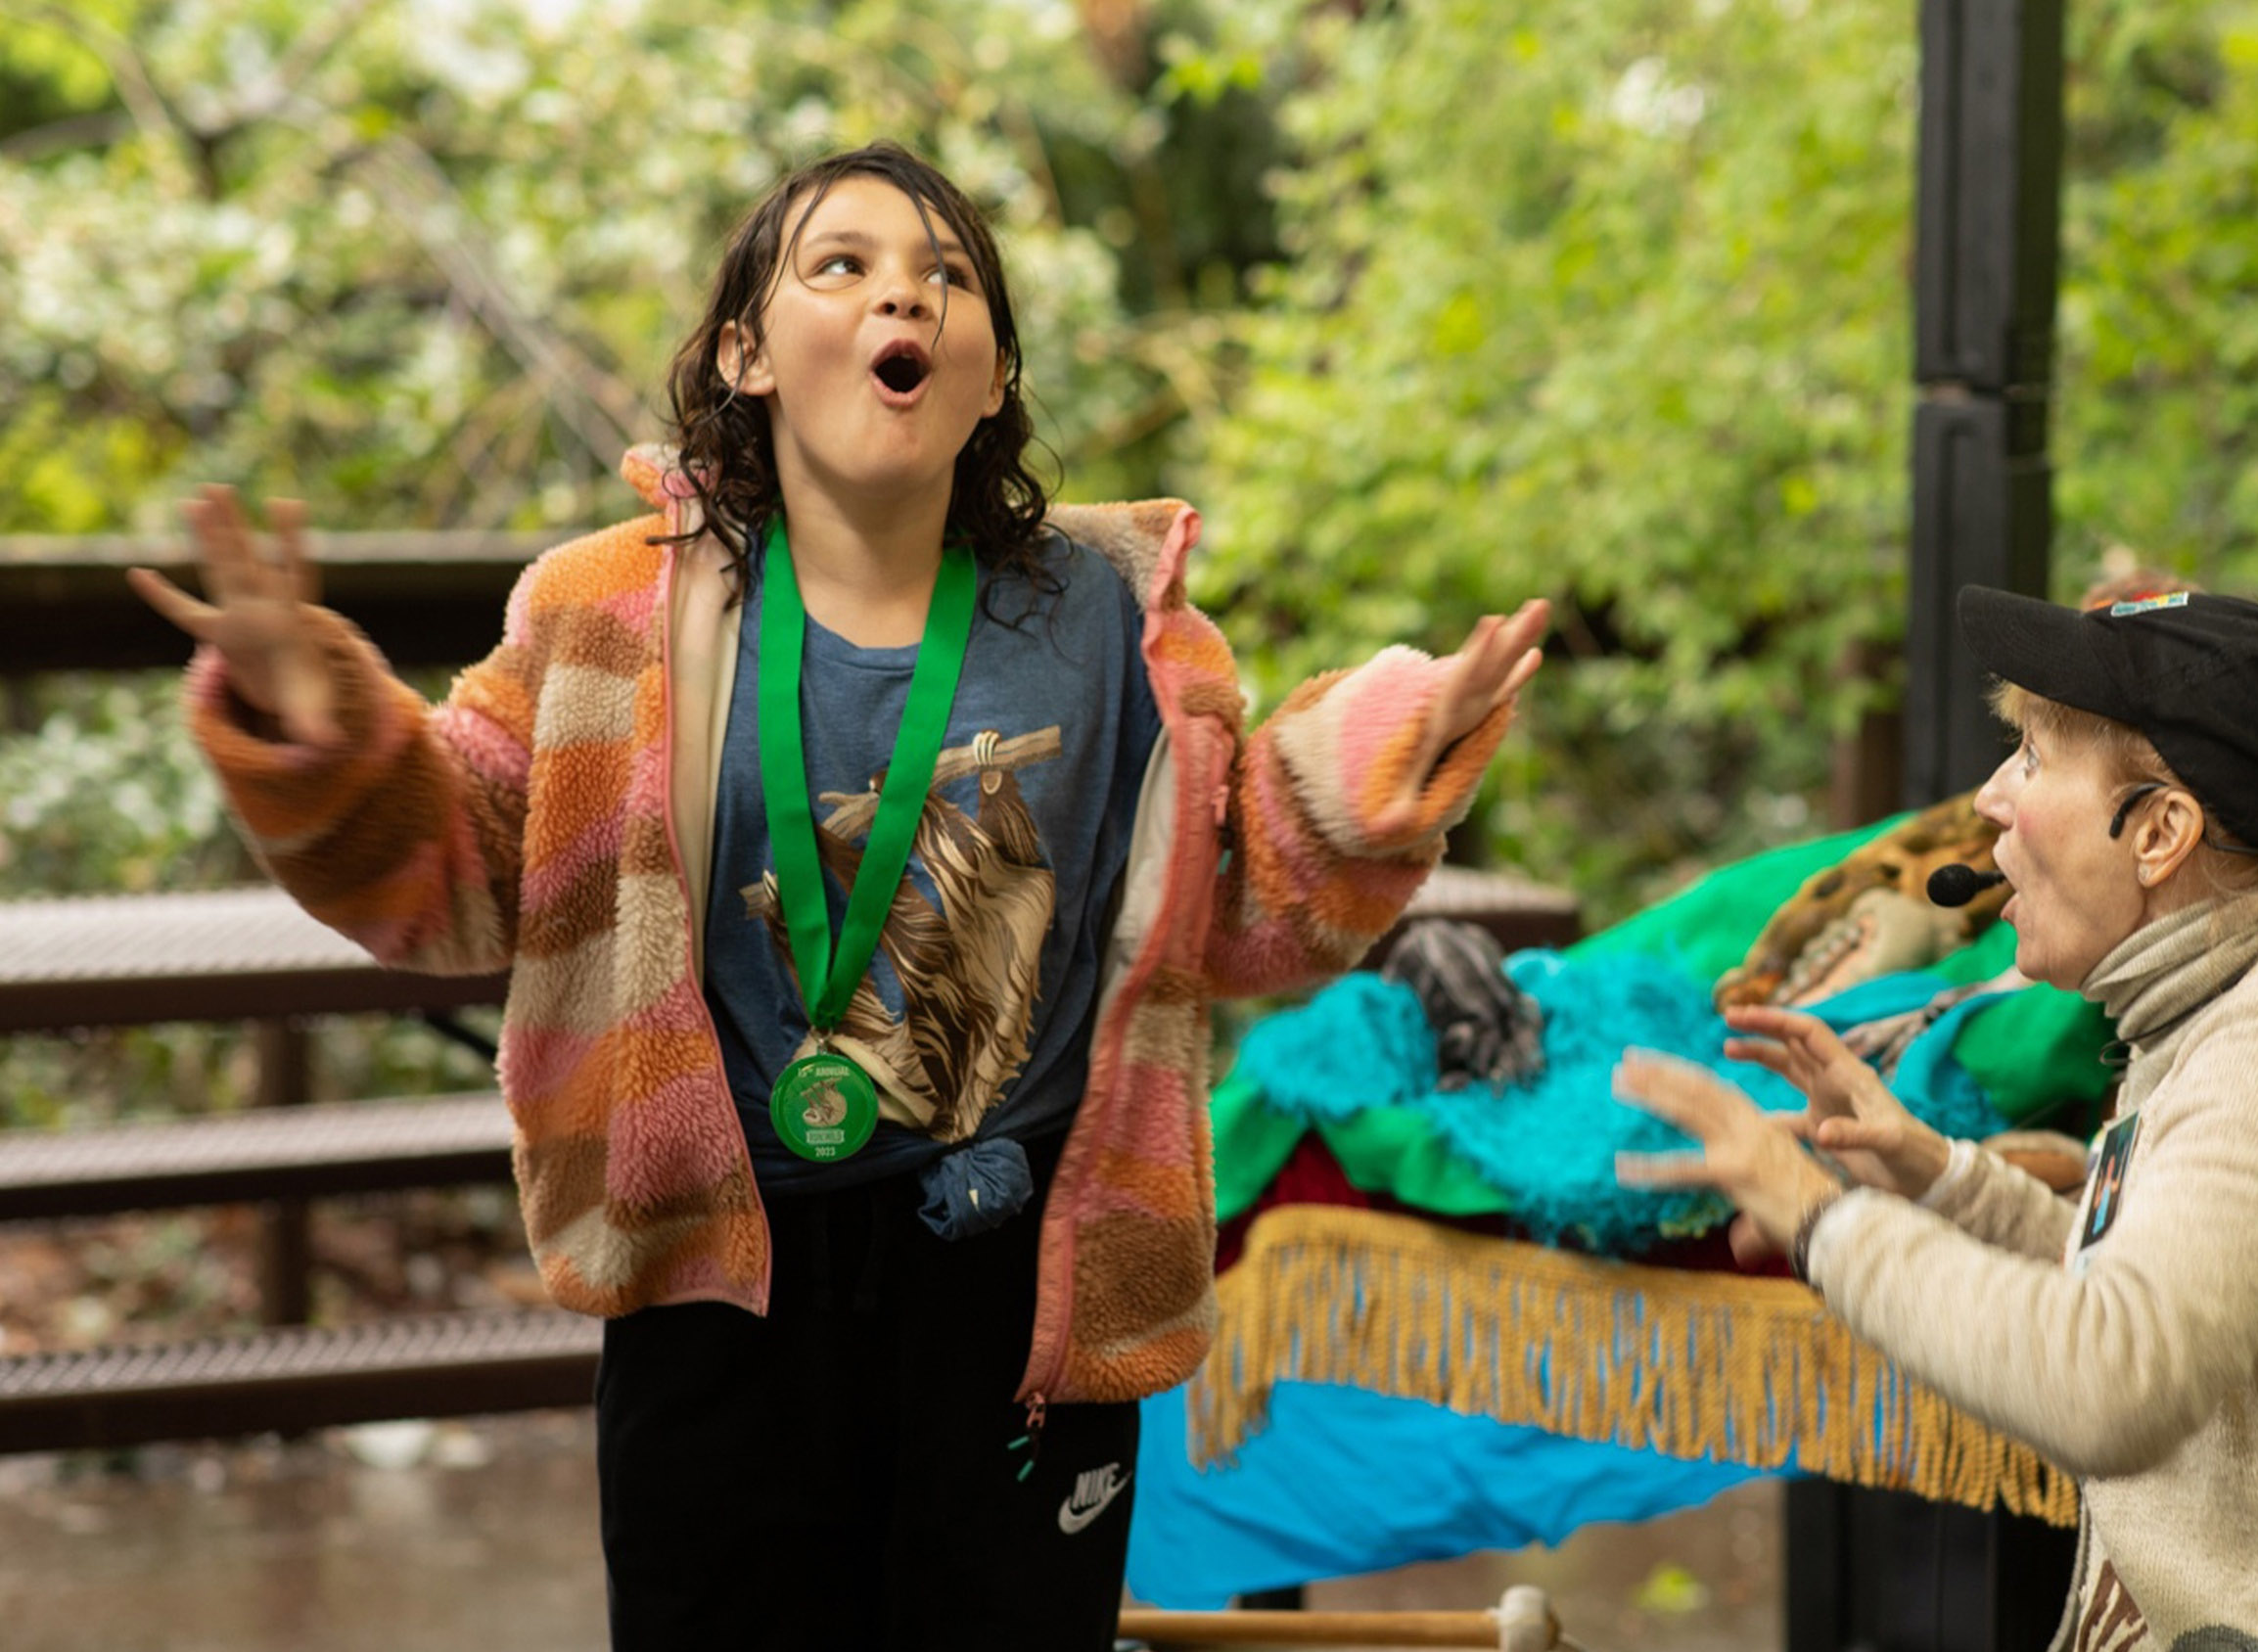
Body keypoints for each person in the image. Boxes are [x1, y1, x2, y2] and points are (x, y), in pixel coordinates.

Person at [130, 141, 1549, 1651]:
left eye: (951, 278)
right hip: (717, 1287)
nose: (908, 297)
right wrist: (318, 728)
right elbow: (470, 873)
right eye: (847, 264)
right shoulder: (606, 613)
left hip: (1020, 1283)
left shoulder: (1111, 620)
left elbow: (1233, 892)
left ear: (992, 377)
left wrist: (1398, 743)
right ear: (747, 350)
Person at [1616, 588, 2258, 1650]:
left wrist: (1815, 1215)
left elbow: (2116, 1378)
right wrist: (1934, 1172)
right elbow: (2151, 1282)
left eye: (2031, 756)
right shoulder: (2228, 1003)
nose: (1989, 798)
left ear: (2162, 830)